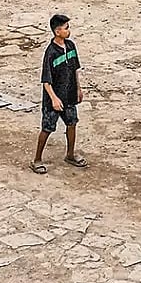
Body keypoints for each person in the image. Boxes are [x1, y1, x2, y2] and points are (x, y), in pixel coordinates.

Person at [32, 14, 87, 174]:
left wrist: (78, 89)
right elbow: (46, 80)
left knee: (72, 123)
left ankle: (70, 155)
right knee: (47, 128)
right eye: (66, 28)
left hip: (69, 95)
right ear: (57, 31)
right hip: (53, 99)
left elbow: (75, 70)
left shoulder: (70, 46)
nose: (68, 31)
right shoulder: (51, 53)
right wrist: (54, 99)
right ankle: (37, 160)